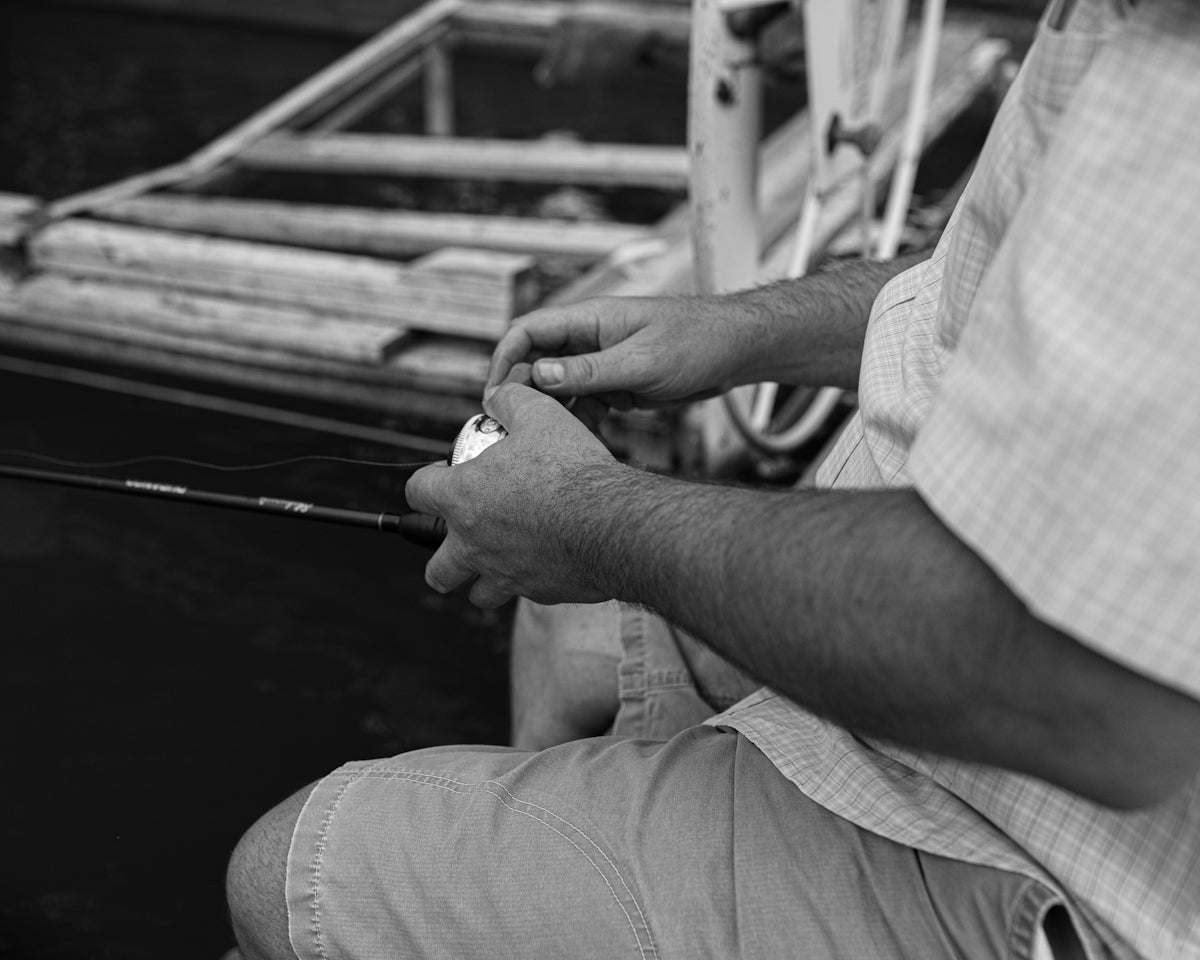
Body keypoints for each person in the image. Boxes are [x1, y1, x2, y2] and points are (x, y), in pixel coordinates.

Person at [225, 0, 1200, 957]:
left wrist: (587, 520)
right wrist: (744, 329)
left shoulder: (1178, 80)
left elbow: (1067, 682)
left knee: (289, 870)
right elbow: (1002, 287)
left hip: (1029, 849)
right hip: (947, 721)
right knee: (568, 628)